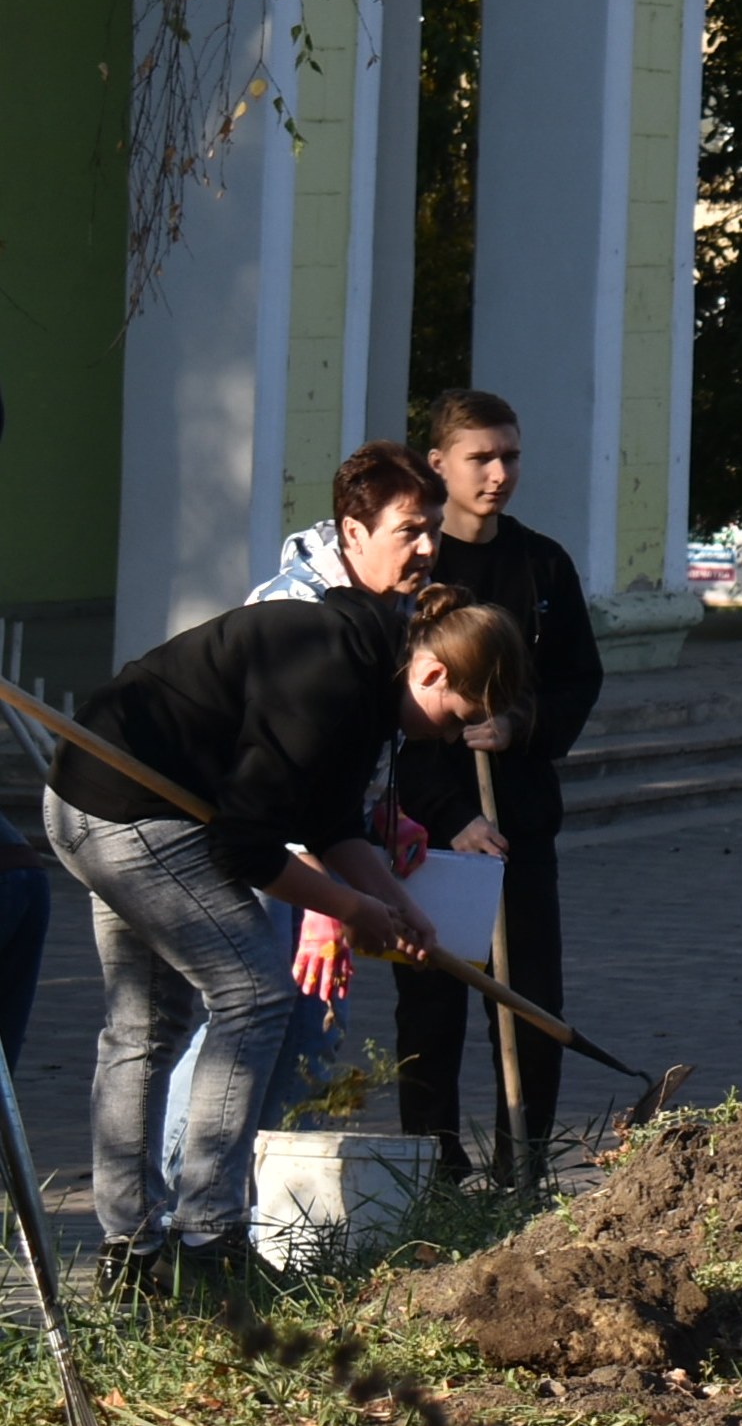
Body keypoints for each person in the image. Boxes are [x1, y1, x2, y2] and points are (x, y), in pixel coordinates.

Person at [44, 572, 530, 1298]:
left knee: (147, 1025)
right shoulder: (329, 676)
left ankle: (136, 1252)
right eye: (459, 713)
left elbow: (330, 819)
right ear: (432, 670)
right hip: (127, 809)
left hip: (105, 804)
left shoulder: (367, 682)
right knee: (255, 992)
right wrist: (351, 908)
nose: (455, 735)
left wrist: (396, 901)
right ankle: (205, 1238)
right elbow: (249, 846)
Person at [158, 442, 461, 1156]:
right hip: (252, 851)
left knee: (309, 1033)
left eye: (434, 529)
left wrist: (387, 819)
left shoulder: (397, 607)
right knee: (243, 1027)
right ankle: (177, 1204)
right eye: (410, 530)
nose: (427, 547)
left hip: (325, 844)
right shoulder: (296, 609)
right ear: (354, 532)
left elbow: (349, 754)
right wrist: (325, 892)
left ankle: (274, 1220)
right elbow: (271, 770)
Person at [387, 391, 602, 1183]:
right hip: (428, 827)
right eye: (481, 457)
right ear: (438, 463)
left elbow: (579, 677)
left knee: (528, 996)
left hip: (518, 818)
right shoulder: (415, 564)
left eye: (510, 455)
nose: (499, 472)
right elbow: (387, 711)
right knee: (432, 1002)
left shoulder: (541, 563)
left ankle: (525, 1161)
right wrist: (447, 816)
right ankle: (430, 1169)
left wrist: (520, 726)